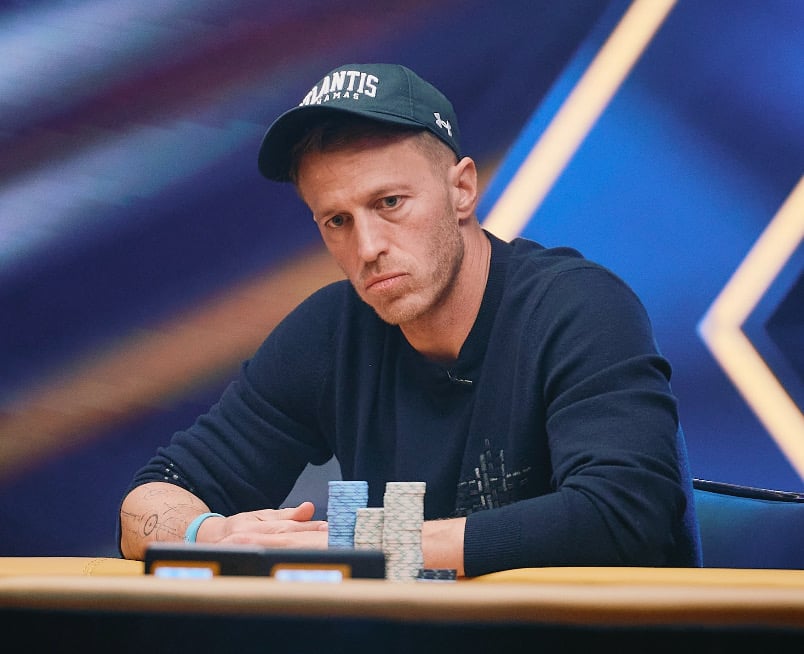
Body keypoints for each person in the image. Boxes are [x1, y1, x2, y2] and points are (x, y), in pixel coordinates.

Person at [118, 63, 702, 576]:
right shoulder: (329, 331)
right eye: (337, 221)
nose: (368, 247)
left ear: (462, 189)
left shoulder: (578, 306)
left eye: (389, 203)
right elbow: (150, 500)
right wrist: (210, 535)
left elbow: (624, 515)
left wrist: (362, 546)